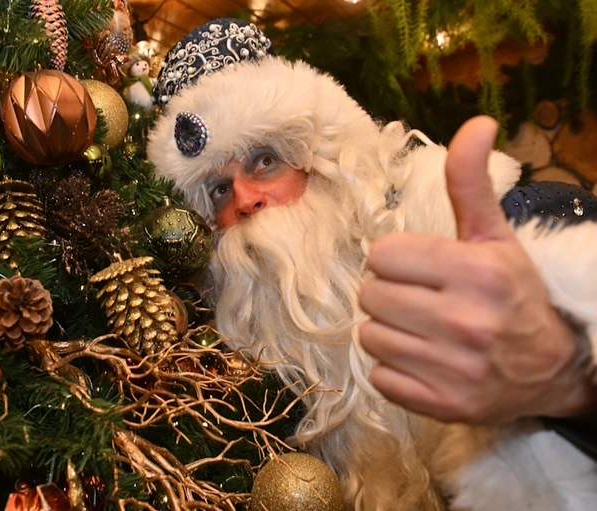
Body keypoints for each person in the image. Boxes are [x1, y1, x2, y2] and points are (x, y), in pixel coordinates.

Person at [147, 18, 597, 511]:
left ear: (319, 158)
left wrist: (573, 382)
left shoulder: (489, 229)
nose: (246, 200)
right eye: (219, 190)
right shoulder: (233, 382)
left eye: (264, 161)